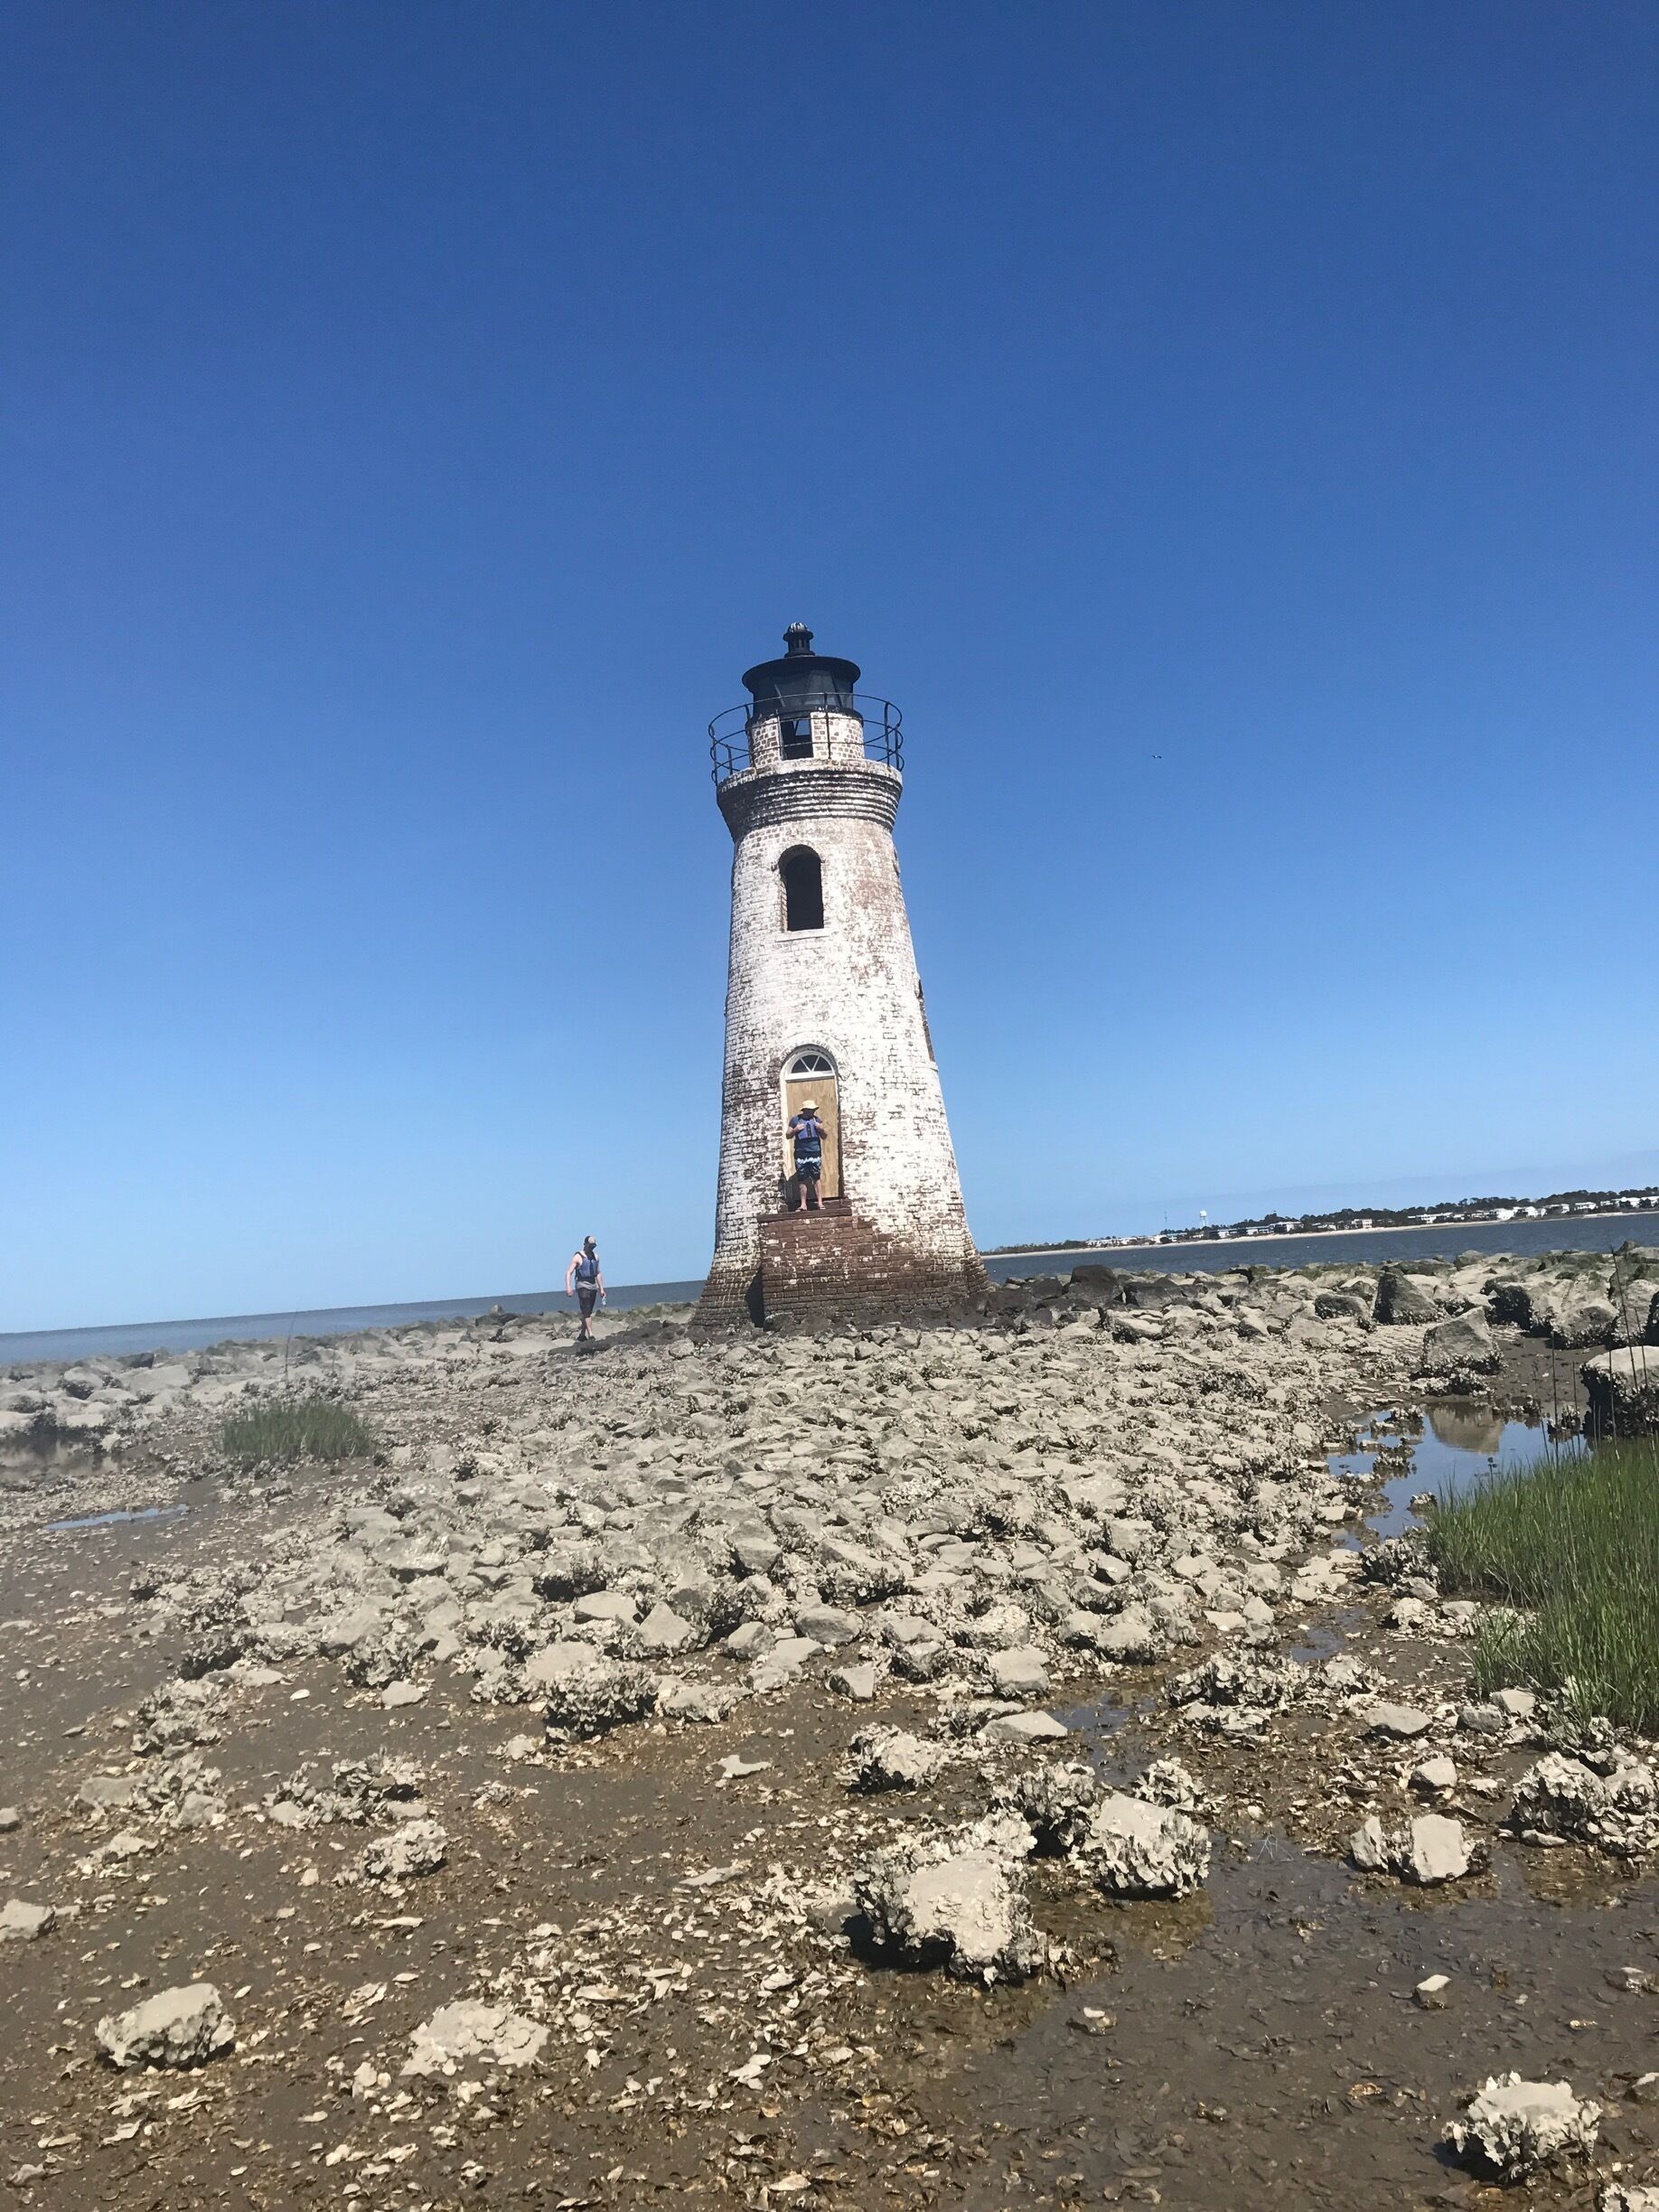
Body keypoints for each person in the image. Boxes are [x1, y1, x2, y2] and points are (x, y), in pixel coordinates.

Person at [787, 1101, 826, 1212]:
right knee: (802, 1178)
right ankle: (803, 1204)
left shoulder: (817, 1120)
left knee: (816, 1176)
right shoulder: (795, 1120)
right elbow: (787, 1135)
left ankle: (820, 1203)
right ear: (805, 1110)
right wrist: (795, 1130)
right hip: (801, 1153)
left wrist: (821, 1129)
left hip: (815, 1152)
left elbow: (825, 1136)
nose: (813, 1112)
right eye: (811, 1110)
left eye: (814, 1110)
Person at [565, 1234, 605, 1341]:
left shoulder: (596, 1257)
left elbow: (598, 1273)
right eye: (589, 1246)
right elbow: (569, 1272)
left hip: (593, 1286)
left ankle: (582, 1335)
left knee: (588, 1312)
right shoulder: (578, 1257)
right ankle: (591, 1334)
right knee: (586, 1310)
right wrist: (568, 1287)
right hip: (582, 1285)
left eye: (593, 1246)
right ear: (585, 1244)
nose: (591, 1248)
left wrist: (601, 1289)